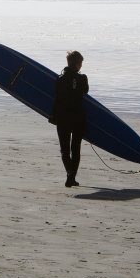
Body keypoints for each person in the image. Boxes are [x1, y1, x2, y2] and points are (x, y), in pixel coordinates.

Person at [50, 50, 89, 187]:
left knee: (65, 150)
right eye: (81, 63)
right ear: (77, 64)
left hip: (63, 117)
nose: (81, 66)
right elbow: (85, 91)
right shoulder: (83, 78)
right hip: (78, 118)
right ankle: (71, 177)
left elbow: (57, 99)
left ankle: (69, 174)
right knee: (75, 148)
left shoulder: (60, 79)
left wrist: (53, 116)